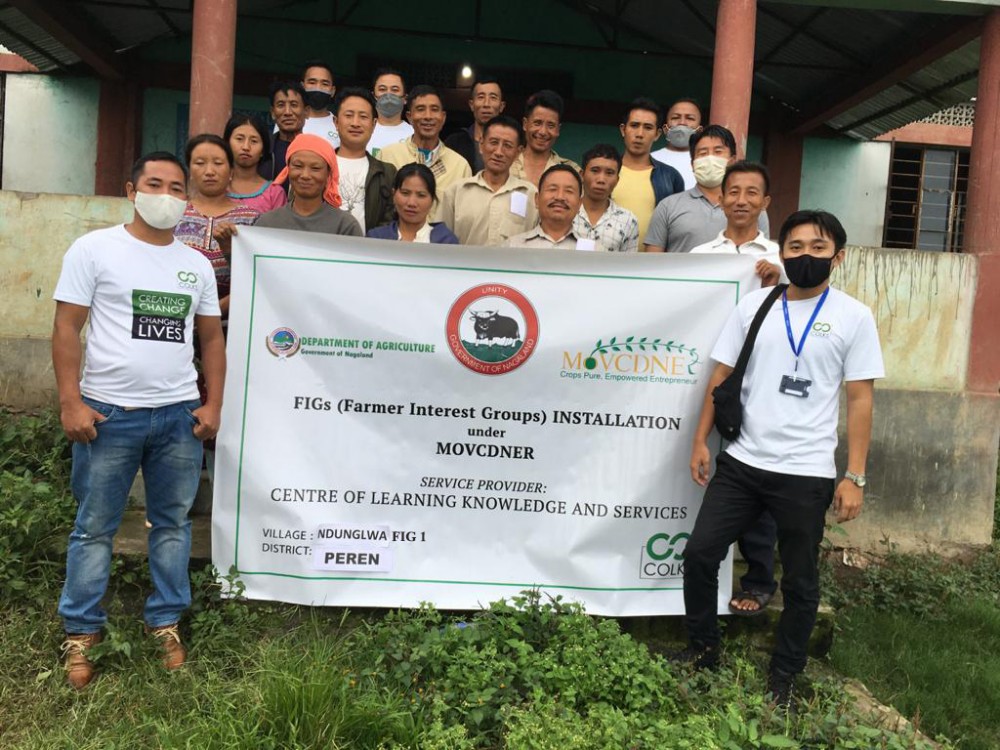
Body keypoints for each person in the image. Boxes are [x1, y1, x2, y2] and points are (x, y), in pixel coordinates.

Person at [678, 210, 884, 708]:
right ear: (782, 253)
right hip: (742, 463)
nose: (805, 256)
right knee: (700, 555)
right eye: (795, 247)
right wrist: (700, 440)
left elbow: (860, 399)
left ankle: (784, 677)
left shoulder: (854, 317)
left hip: (806, 472)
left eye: (817, 247)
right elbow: (721, 377)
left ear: (838, 255)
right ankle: (704, 653)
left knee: (800, 580)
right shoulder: (755, 307)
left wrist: (853, 475)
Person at [53, 151, 224, 689]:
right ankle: (81, 631)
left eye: (178, 188)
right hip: (108, 416)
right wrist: (70, 402)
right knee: (94, 527)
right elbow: (66, 328)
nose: (167, 195)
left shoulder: (194, 263)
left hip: (178, 418)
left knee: (171, 525)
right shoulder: (95, 250)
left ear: (187, 201)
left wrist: (212, 403)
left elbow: (211, 339)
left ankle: (166, 620)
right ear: (132, 189)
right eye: (156, 184)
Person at [689, 160, 784, 614]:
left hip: (763, 386)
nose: (741, 200)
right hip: (706, 375)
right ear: (720, 198)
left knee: (758, 478)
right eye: (734, 192)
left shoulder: (784, 260)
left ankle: (759, 579)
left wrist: (775, 286)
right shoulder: (700, 258)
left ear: (765, 203)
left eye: (752, 193)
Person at [644, 124, 769, 253]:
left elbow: (762, 256)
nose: (710, 158)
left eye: (718, 152)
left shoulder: (753, 207)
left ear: (732, 161)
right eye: (703, 153)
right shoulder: (668, 206)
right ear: (693, 164)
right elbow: (652, 261)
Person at [174, 134, 259, 320]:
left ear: (231, 172)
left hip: (234, 322)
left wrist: (212, 312)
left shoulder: (251, 219)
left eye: (218, 163)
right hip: (176, 317)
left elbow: (256, 277)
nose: (209, 171)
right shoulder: (175, 214)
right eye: (199, 163)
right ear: (189, 170)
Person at [437, 115, 537, 246]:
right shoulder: (456, 192)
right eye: (494, 142)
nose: (498, 152)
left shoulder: (530, 194)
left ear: (518, 152)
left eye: (507, 145)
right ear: (481, 145)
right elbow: (439, 241)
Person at [256, 134, 362, 236]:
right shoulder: (267, 223)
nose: (305, 175)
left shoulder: (345, 227)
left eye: (315, 168)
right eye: (298, 166)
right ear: (288, 168)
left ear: (328, 174)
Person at [611, 98, 684, 247]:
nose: (640, 134)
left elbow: (676, 228)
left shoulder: (670, 177)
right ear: (623, 130)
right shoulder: (605, 172)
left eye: (648, 127)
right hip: (607, 262)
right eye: (634, 125)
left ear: (657, 134)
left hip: (652, 265)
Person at [377, 85, 472, 195]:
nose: (428, 116)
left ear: (443, 117)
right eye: (420, 109)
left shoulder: (459, 166)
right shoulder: (388, 156)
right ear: (409, 117)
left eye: (434, 109)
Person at [333, 86, 397, 234]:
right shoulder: (320, 166)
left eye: (363, 116)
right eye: (349, 115)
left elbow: (391, 219)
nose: (355, 123)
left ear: (374, 124)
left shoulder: (387, 173)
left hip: (369, 253)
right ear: (336, 122)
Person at [366, 163, 459, 244]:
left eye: (421, 195)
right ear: (394, 194)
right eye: (405, 193)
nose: (411, 203)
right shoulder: (376, 238)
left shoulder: (446, 242)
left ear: (432, 200)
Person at [505, 164, 591, 250]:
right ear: (537, 199)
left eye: (569, 191)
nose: (560, 197)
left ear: (580, 204)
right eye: (552, 189)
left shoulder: (593, 250)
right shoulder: (512, 246)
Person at [573, 143, 639, 253]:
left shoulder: (628, 220)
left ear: (617, 180)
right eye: (595, 170)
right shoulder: (564, 210)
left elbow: (628, 266)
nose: (601, 179)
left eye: (609, 173)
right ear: (582, 175)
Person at [511, 90, 580, 186]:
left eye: (551, 125)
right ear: (525, 124)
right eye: (537, 123)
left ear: (558, 130)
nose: (543, 132)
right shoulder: (506, 163)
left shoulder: (572, 171)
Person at [225, 114, 288, 214]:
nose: (246, 147)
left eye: (254, 141)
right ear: (227, 143)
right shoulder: (215, 186)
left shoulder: (274, 193)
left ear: (263, 150)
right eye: (239, 139)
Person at [445, 77, 506, 173]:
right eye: (481, 97)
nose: (486, 104)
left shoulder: (510, 144)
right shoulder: (455, 143)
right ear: (471, 105)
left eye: (493, 98)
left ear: (501, 106)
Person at [651, 98, 703, 189]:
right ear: (665, 129)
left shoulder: (707, 162)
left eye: (690, 118)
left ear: (700, 130)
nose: (682, 123)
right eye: (675, 117)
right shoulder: (650, 160)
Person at [260, 81, 306, 182]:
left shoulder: (316, 149)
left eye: (294, 105)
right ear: (272, 112)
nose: (287, 112)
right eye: (281, 105)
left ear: (306, 111)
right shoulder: (262, 149)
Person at [369, 67, 414, 156]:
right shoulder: (362, 130)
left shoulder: (414, 135)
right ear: (374, 96)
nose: (388, 94)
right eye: (382, 89)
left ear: (405, 98)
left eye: (395, 90)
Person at [299, 60, 340, 149]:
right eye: (312, 82)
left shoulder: (340, 126)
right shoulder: (289, 122)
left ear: (333, 91)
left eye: (325, 84)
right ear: (302, 87)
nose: (318, 88)